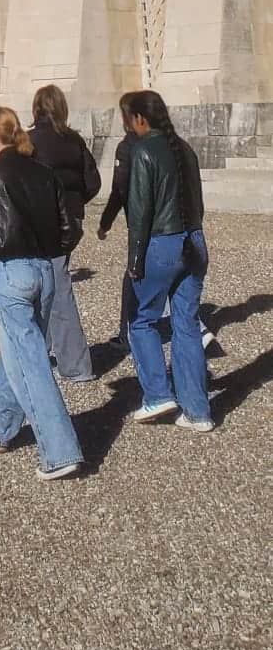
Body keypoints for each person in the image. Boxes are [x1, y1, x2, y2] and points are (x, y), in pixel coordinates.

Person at [0, 105, 83, 481]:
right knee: (21, 351)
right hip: (46, 269)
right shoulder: (45, 173)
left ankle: (59, 450)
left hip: (11, 270)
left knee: (30, 360)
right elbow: (69, 228)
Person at [122, 89, 213, 431]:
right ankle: (198, 411)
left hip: (162, 243)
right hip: (194, 240)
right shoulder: (185, 149)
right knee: (186, 324)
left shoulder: (143, 150)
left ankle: (158, 394)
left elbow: (140, 213)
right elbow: (198, 204)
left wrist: (135, 261)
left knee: (141, 320)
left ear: (139, 118)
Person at [29, 83, 101, 382]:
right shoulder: (75, 141)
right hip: (71, 221)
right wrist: (75, 203)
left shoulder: (30, 141)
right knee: (49, 285)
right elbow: (93, 182)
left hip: (42, 222)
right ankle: (42, 350)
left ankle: (76, 365)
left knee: (57, 291)